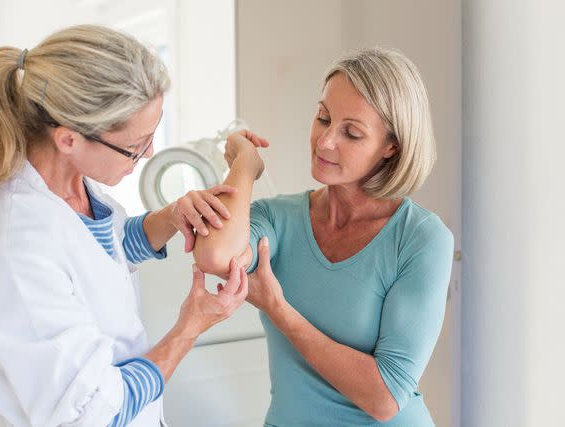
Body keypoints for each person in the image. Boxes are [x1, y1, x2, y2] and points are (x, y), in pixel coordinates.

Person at [0, 24, 248, 427]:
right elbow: (95, 413)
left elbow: (102, 254)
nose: (148, 155)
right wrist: (189, 327)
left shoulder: (75, 190)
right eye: (135, 146)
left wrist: (169, 217)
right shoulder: (19, 248)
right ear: (68, 140)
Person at [193, 48, 455, 426]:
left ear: (391, 146)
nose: (325, 141)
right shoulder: (277, 218)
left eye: (351, 132)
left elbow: (386, 398)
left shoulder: (421, 239)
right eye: (323, 118)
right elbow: (215, 256)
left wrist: (278, 309)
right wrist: (245, 165)